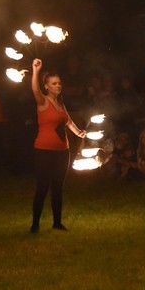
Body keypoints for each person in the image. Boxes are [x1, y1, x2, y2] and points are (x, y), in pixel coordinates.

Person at [30, 58, 86, 233]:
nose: (58, 86)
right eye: (54, 83)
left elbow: (68, 121)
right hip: (44, 151)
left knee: (58, 188)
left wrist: (78, 132)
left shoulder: (61, 104)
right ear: (47, 86)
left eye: (59, 83)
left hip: (63, 151)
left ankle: (57, 223)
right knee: (42, 187)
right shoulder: (43, 101)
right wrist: (36, 70)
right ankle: (35, 224)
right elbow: (34, 89)